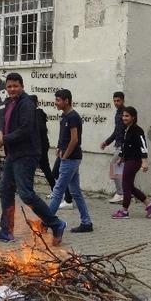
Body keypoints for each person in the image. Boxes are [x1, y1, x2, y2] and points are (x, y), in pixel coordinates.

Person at [0, 73, 66, 245]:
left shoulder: (26, 104)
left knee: (26, 194)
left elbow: (26, 129)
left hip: (26, 154)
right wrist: (0, 132)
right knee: (5, 190)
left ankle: (56, 224)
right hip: (13, 154)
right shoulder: (10, 102)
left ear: (22, 86)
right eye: (9, 86)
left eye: (15, 86)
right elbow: (6, 123)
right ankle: (6, 230)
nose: (12, 89)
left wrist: (5, 139)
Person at [48, 89, 94, 232]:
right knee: (75, 192)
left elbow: (74, 139)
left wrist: (66, 155)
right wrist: (59, 148)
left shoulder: (73, 117)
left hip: (71, 159)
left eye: (58, 100)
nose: (56, 103)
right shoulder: (64, 116)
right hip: (69, 157)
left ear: (66, 100)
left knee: (58, 190)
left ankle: (45, 222)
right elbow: (65, 137)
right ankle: (86, 223)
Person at [112, 106, 151, 219]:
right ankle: (149, 203)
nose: (124, 118)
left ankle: (124, 211)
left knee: (125, 184)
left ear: (133, 117)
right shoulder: (127, 129)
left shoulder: (137, 130)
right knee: (130, 186)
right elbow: (125, 145)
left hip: (135, 160)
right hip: (128, 160)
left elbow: (143, 146)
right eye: (123, 115)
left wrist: (144, 161)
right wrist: (121, 157)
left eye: (127, 116)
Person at [100, 92, 125, 203]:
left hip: (123, 146)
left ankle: (120, 193)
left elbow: (126, 131)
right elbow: (117, 131)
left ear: (123, 100)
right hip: (118, 145)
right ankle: (124, 193)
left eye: (118, 100)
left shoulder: (125, 113)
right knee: (120, 170)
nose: (116, 103)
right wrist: (107, 142)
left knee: (114, 166)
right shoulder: (118, 113)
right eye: (114, 101)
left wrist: (124, 147)